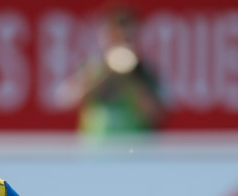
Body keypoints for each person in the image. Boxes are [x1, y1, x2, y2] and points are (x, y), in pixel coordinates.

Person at [58, 5, 165, 137]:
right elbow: (66, 102)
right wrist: (106, 75)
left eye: (127, 37)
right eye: (116, 36)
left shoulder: (145, 72)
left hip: (135, 153)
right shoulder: (92, 68)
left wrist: (130, 78)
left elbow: (156, 114)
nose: (121, 42)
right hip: (97, 153)